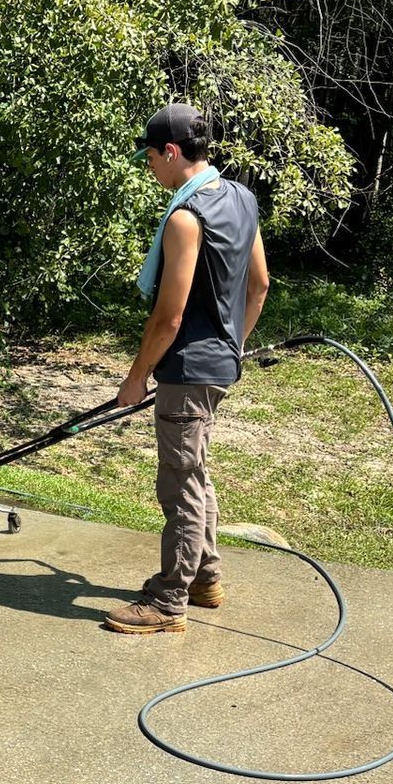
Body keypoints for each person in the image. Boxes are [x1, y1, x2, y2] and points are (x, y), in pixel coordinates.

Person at [102, 103, 269, 635]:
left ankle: (169, 599)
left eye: (151, 157)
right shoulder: (242, 198)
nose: (150, 166)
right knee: (194, 474)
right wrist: (231, 347)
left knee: (179, 482)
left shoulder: (184, 217)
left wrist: (135, 377)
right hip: (218, 365)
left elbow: (169, 315)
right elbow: (260, 285)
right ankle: (205, 578)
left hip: (188, 368)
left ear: (171, 153)